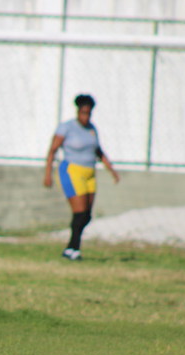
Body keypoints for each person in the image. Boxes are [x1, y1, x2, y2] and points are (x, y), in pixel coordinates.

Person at [44, 94, 120, 260]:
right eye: (83, 112)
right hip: (72, 171)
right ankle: (74, 250)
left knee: (87, 215)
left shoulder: (92, 129)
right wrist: (48, 173)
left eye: (88, 113)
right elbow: (52, 150)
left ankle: (70, 248)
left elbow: (99, 152)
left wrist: (111, 170)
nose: (85, 116)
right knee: (79, 212)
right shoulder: (67, 127)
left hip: (90, 172)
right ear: (78, 111)